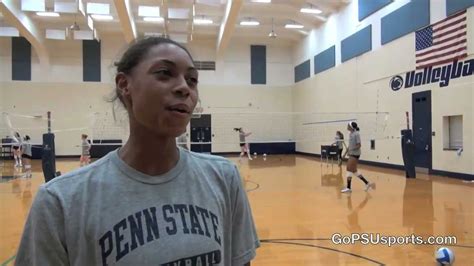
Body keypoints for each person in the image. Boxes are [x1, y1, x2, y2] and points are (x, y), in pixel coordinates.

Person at [16, 37, 259, 266]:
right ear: (124, 85)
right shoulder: (60, 201)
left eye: (192, 80)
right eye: (165, 73)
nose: (185, 88)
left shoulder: (224, 178)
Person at [341, 122, 375, 193]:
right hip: (351, 153)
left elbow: (359, 145)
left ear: (351, 127)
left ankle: (348, 188)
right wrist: (345, 154)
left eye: (348, 125)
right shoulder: (350, 134)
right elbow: (350, 145)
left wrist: (351, 150)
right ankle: (367, 183)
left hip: (355, 154)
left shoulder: (356, 134)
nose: (347, 126)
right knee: (354, 171)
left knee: (348, 168)